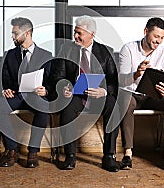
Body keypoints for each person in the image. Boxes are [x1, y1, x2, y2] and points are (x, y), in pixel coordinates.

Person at [51, 15, 121, 172]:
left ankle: (109, 156)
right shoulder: (66, 49)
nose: (75, 36)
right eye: (75, 32)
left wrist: (103, 91)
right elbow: (57, 76)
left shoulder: (105, 52)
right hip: (75, 96)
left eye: (79, 33)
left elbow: (114, 81)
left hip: (97, 96)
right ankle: (70, 156)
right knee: (67, 108)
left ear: (92, 34)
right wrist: (64, 87)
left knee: (113, 106)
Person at [119, 17, 164, 171]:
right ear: (146, 32)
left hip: (154, 97)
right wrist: (136, 73)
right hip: (133, 95)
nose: (158, 41)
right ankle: (128, 153)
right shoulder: (128, 49)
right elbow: (120, 80)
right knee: (126, 101)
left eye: (161, 38)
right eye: (156, 36)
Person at [0, 17, 52, 168]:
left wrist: (46, 90)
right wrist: (5, 90)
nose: (12, 37)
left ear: (27, 33)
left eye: (15, 33)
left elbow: (52, 81)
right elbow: (3, 79)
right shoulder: (9, 55)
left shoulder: (46, 55)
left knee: (44, 108)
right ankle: (12, 149)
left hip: (36, 95)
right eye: (12, 33)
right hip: (16, 95)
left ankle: (33, 152)